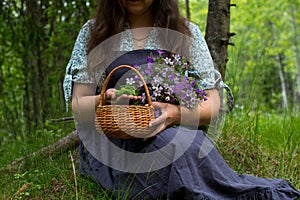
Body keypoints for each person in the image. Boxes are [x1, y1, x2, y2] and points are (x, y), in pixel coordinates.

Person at [63, 0, 300, 199]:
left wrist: (173, 113)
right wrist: (104, 99)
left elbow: (214, 101)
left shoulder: (185, 33)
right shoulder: (94, 32)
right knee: (175, 152)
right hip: (113, 144)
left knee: (183, 143)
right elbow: (78, 105)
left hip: (174, 132)